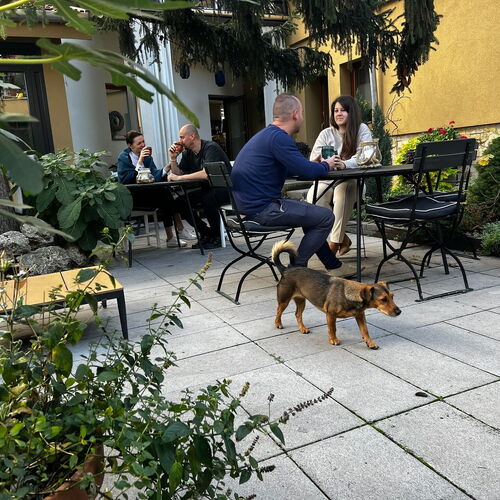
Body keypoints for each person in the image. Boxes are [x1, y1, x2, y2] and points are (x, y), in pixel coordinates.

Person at [231, 93, 349, 274]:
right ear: (295, 114)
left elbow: (295, 168)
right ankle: (295, 271)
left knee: (313, 217)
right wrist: (327, 164)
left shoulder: (267, 135)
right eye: (302, 112)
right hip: (262, 210)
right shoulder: (279, 138)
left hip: (248, 208)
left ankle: (333, 266)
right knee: (325, 217)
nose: (302, 117)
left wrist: (313, 164)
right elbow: (307, 172)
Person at [306, 95, 373, 256]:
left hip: (352, 181)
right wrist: (322, 160)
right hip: (327, 180)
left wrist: (345, 164)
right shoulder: (326, 133)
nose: (338, 114)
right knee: (314, 196)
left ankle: (334, 244)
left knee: (342, 192)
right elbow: (312, 159)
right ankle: (343, 239)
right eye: (336, 110)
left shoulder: (361, 129)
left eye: (343, 110)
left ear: (351, 112)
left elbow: (366, 155)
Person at [117, 130, 196, 247]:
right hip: (131, 198)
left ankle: (174, 235)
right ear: (130, 145)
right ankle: (177, 232)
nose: (143, 145)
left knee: (166, 194)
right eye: (139, 143)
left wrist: (170, 163)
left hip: (148, 194)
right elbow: (126, 180)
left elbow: (155, 176)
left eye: (143, 142)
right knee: (165, 196)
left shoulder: (147, 157)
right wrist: (140, 161)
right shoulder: (124, 157)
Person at [167, 124, 232, 249]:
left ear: (192, 136)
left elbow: (206, 173)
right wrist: (173, 159)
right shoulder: (187, 153)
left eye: (182, 137)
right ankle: (206, 232)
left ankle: (217, 237)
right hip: (206, 189)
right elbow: (178, 173)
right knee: (180, 202)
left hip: (224, 188)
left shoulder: (210, 148)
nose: (180, 141)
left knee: (208, 199)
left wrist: (179, 178)